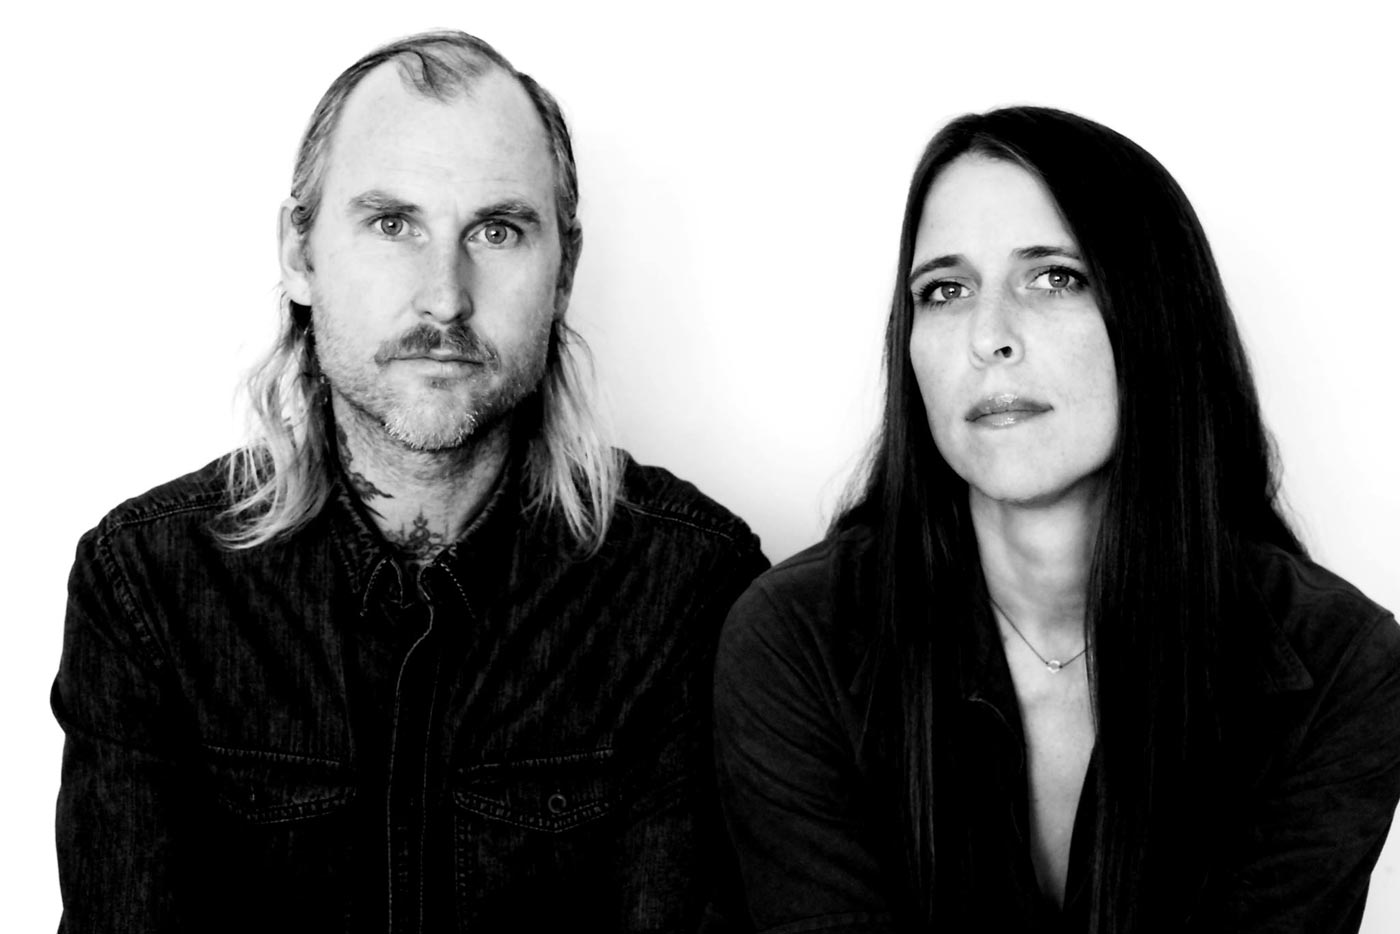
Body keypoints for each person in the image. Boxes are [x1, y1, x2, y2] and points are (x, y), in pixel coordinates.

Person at [52, 30, 766, 932]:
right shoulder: (147, 588)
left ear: (565, 271)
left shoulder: (687, 586)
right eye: (393, 224)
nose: (445, 297)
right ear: (300, 252)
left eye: (497, 231)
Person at [714, 106, 1400, 933]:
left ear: (1155, 312)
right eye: (945, 291)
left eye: (1054, 279)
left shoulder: (1339, 668)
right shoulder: (796, 639)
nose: (989, 337)